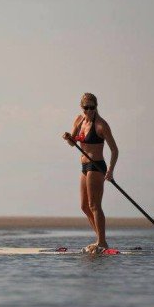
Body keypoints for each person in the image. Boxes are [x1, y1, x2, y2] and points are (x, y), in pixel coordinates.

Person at [62, 93, 118, 253]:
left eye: (92, 108)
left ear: (96, 107)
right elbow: (73, 143)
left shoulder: (101, 125)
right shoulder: (79, 120)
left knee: (94, 205)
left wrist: (110, 171)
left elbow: (114, 150)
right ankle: (100, 239)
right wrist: (68, 137)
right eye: (86, 108)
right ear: (82, 108)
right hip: (84, 167)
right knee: (84, 206)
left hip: (96, 166)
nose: (89, 111)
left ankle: (102, 243)